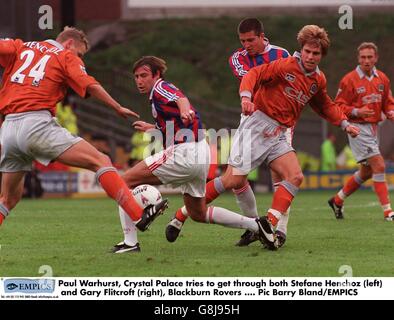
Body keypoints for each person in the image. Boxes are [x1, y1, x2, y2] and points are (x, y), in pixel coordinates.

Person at [175, 25, 360, 250]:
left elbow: (325, 105)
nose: (310, 57)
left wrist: (344, 123)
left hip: (279, 133)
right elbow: (254, 74)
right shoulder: (285, 65)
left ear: (322, 55)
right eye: (307, 52)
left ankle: (269, 224)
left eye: (316, 53)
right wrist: (245, 97)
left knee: (295, 176)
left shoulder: (318, 79)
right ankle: (184, 212)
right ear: (301, 50)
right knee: (233, 180)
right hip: (257, 125)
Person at [0, 27, 168, 231]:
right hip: (36, 124)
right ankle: (138, 215)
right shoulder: (64, 55)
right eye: (80, 53)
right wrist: (117, 107)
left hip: (8, 129)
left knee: (8, 199)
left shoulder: (20, 46)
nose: (80, 58)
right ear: (69, 43)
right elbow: (90, 85)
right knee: (101, 161)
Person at [112, 56, 269, 253]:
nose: (139, 80)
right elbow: (175, 126)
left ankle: (131, 240)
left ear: (157, 75)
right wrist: (152, 127)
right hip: (199, 153)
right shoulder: (156, 100)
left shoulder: (161, 87)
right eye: (136, 77)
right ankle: (257, 225)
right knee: (198, 212)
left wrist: (185, 110)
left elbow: (181, 99)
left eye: (144, 75)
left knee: (123, 181)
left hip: (185, 152)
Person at [166, 18, 294, 248]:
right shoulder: (237, 58)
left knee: (285, 175)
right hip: (252, 122)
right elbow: (252, 80)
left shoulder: (282, 54)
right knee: (235, 179)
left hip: (280, 123)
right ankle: (251, 225)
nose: (246, 45)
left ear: (262, 36)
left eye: (251, 40)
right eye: (242, 40)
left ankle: (279, 230)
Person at [328, 42, 394, 221]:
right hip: (357, 128)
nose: (366, 60)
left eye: (370, 57)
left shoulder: (382, 78)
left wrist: (390, 112)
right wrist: (357, 111)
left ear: (376, 58)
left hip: (374, 129)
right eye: (363, 57)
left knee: (367, 172)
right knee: (379, 165)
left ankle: (337, 200)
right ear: (358, 59)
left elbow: (388, 102)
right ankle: (388, 212)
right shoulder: (349, 80)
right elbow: (338, 105)